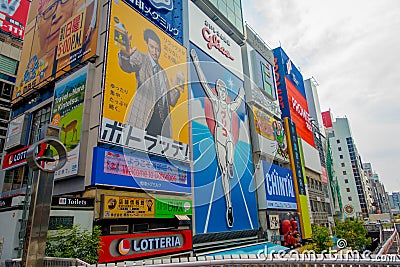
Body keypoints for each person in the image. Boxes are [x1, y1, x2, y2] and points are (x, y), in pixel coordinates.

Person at [190, 49, 245, 228]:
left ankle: (231, 164)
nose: (221, 90)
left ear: (225, 91)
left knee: (229, 157)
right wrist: (196, 61)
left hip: (228, 137)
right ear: (217, 90)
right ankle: (229, 205)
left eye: (223, 88)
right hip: (218, 138)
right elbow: (204, 83)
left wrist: (243, 93)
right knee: (223, 173)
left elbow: (238, 101)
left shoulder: (229, 107)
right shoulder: (214, 100)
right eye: (219, 88)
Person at [118, 28, 180, 138]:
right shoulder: (141, 58)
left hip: (161, 126)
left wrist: (176, 87)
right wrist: (125, 56)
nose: (155, 52)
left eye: (158, 49)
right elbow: (127, 67)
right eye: (152, 47)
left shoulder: (163, 72)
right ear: (147, 44)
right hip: (143, 119)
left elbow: (171, 101)